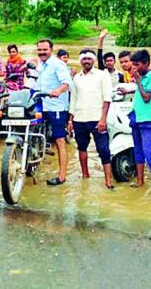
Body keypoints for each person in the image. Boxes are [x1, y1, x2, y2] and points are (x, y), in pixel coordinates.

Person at [68, 49, 113, 189]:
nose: (86, 61)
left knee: (104, 149)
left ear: (93, 60)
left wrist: (103, 120)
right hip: (79, 119)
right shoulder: (76, 78)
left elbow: (107, 99)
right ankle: (85, 176)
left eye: (89, 58)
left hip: (97, 119)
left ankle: (108, 181)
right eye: (84, 59)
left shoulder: (102, 75)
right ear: (80, 61)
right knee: (82, 147)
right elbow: (73, 100)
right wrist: (70, 120)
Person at [128, 50, 151, 198]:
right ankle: (140, 181)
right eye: (133, 65)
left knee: (149, 153)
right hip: (135, 117)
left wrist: (137, 80)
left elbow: (146, 98)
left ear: (146, 64)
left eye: (137, 65)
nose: (134, 68)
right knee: (138, 150)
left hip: (146, 120)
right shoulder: (142, 77)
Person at [36, 38, 73, 185]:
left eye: (45, 50)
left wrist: (58, 90)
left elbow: (67, 83)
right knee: (36, 132)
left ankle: (62, 176)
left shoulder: (58, 64)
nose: (42, 52)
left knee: (59, 140)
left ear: (51, 50)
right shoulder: (42, 65)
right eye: (39, 50)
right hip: (42, 105)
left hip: (56, 107)